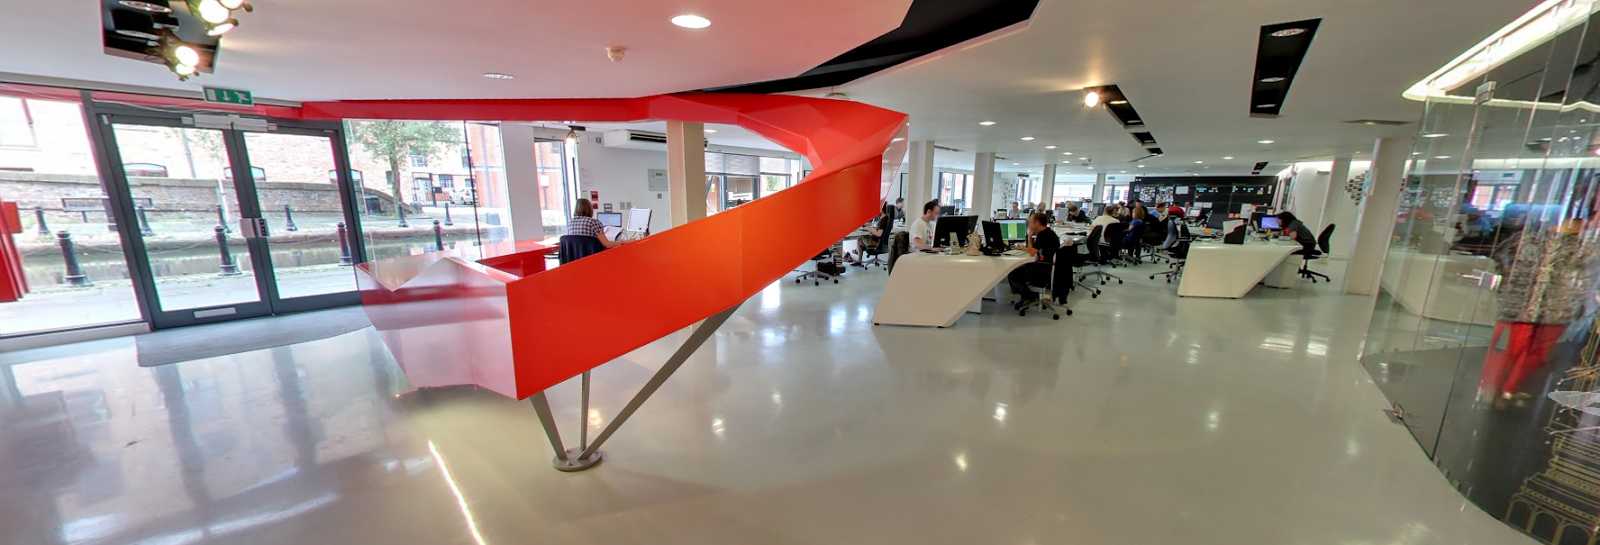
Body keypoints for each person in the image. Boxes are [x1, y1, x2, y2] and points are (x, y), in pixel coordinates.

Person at [1009, 212, 1061, 310]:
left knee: (1013, 274)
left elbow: (1032, 252)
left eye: (1031, 222)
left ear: (1037, 222)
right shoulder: (1048, 233)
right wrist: (1022, 248)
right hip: (1049, 266)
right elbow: (1037, 249)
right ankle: (1027, 297)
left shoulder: (1043, 235)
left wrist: (1029, 237)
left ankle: (1029, 296)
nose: (1029, 224)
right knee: (1020, 269)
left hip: (1044, 270)